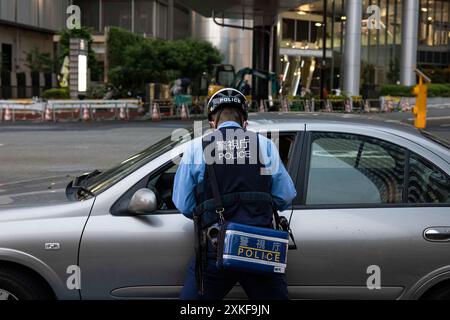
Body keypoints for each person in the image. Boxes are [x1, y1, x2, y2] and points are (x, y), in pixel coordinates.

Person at [172, 88, 297, 300]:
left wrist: (211, 207)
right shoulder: (265, 145)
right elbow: (285, 197)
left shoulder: (196, 148)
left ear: (213, 122)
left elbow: (184, 204)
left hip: (215, 246)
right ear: (244, 122)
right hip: (260, 246)